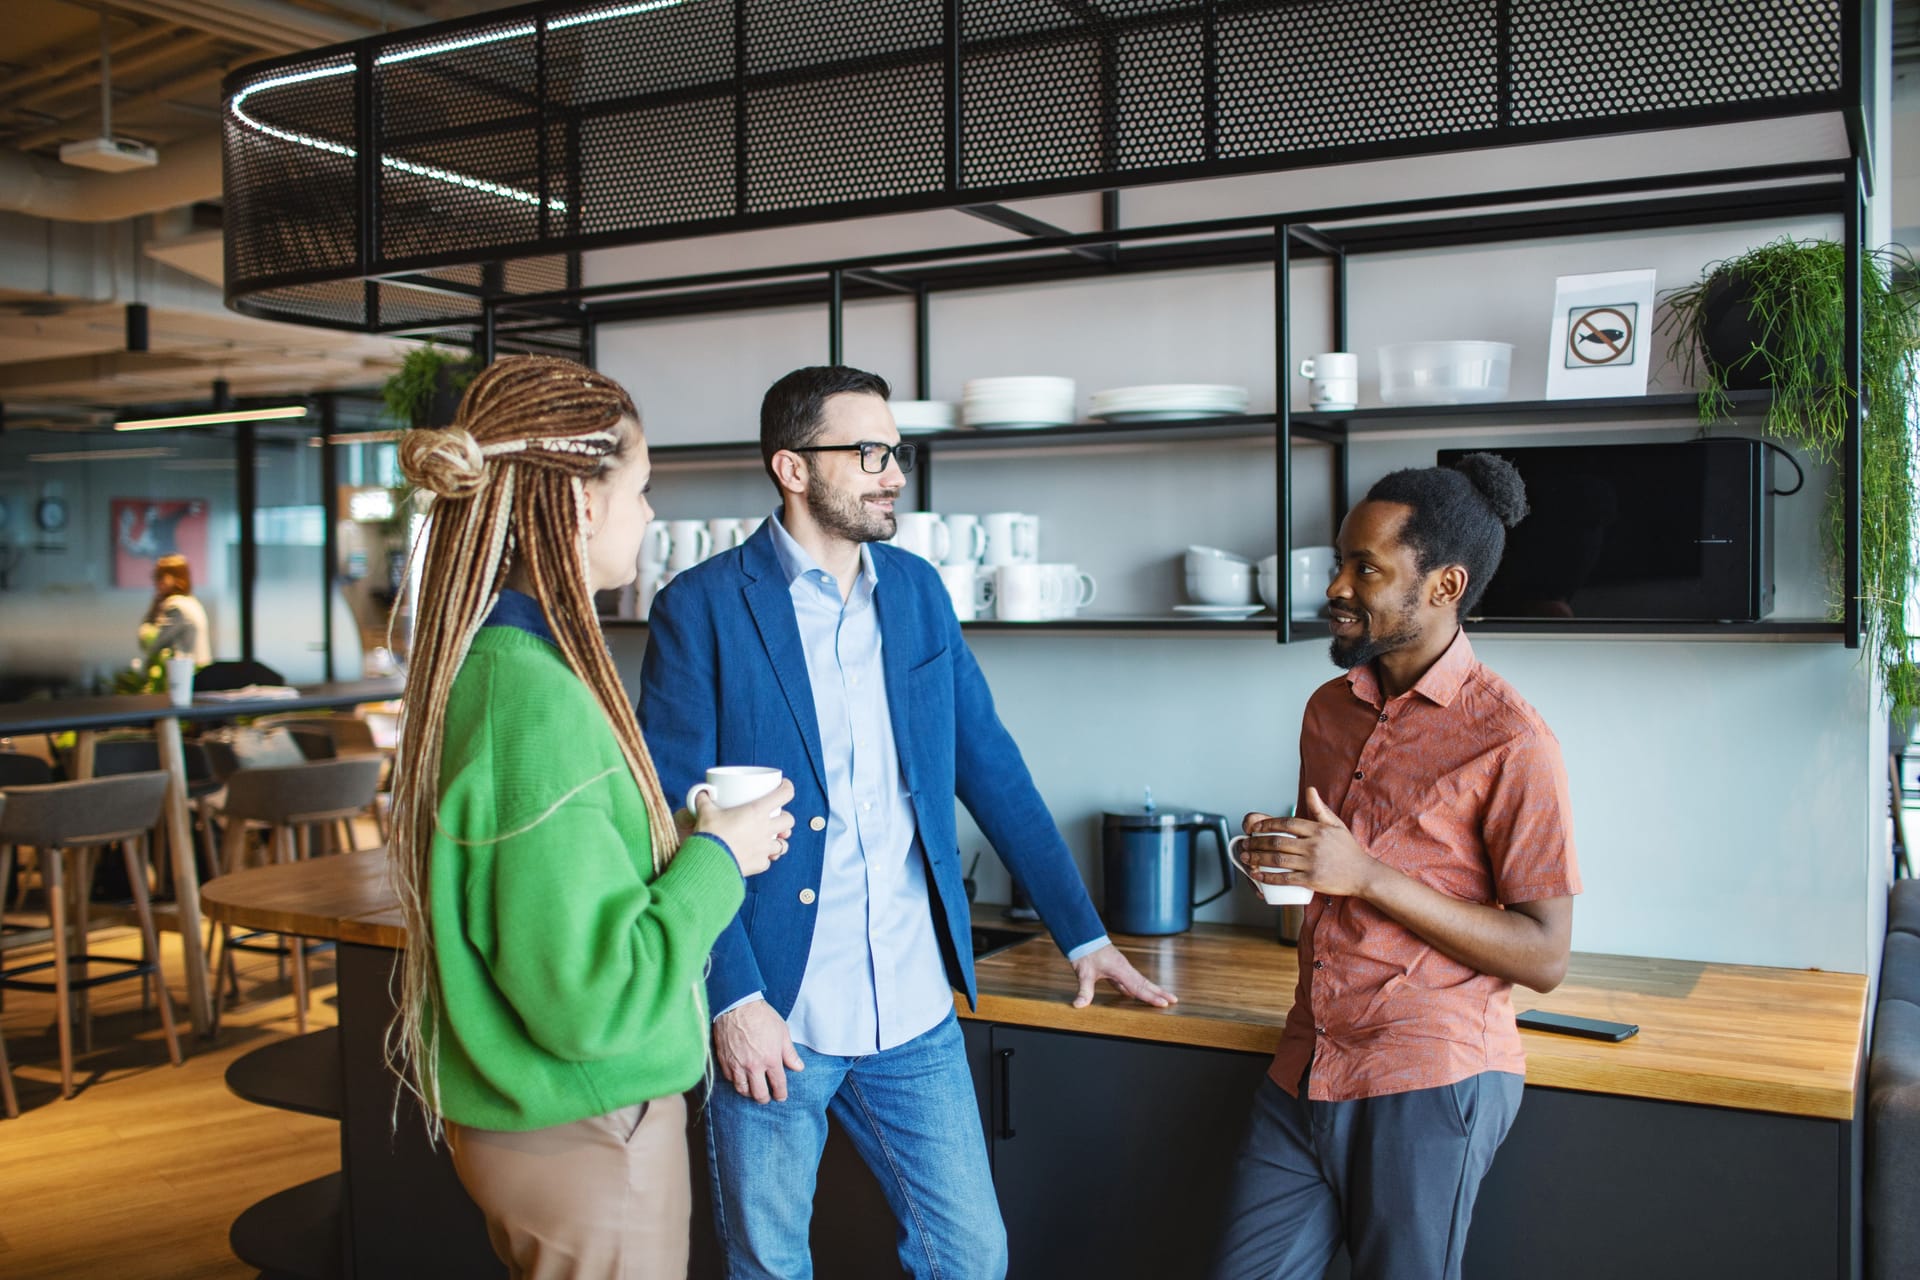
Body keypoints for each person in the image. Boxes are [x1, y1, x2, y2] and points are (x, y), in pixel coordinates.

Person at [639, 364, 1174, 1280]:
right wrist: (731, 997)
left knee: (969, 1256)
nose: (893, 474)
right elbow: (670, 818)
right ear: (793, 468)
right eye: (870, 452)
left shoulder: (919, 592)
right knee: (768, 1267)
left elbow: (991, 767)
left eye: (897, 453)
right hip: (777, 1010)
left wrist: (1082, 936)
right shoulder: (702, 608)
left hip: (914, 1011)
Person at [384, 356, 795, 1279]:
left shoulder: (501, 667)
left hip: (549, 1126)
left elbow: (556, 906)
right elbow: (594, 996)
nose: (650, 515)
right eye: (641, 488)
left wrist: (690, 845)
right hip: (590, 1134)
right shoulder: (536, 702)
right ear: (581, 504)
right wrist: (720, 857)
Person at [1210, 454, 1580, 1280]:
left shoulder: (1512, 740)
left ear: (1444, 587)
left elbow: (1545, 955)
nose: (1337, 584)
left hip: (1429, 1075)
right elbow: (1318, 896)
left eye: (1365, 568)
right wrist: (1290, 859)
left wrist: (1366, 873)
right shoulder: (1328, 708)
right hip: (1307, 1058)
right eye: (1341, 558)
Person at [138, 553, 211, 666]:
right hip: (195, 672)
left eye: (159, 577)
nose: (156, 583)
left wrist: (152, 612)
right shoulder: (191, 603)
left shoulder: (175, 606)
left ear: (173, 578)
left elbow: (151, 644)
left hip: (180, 675)